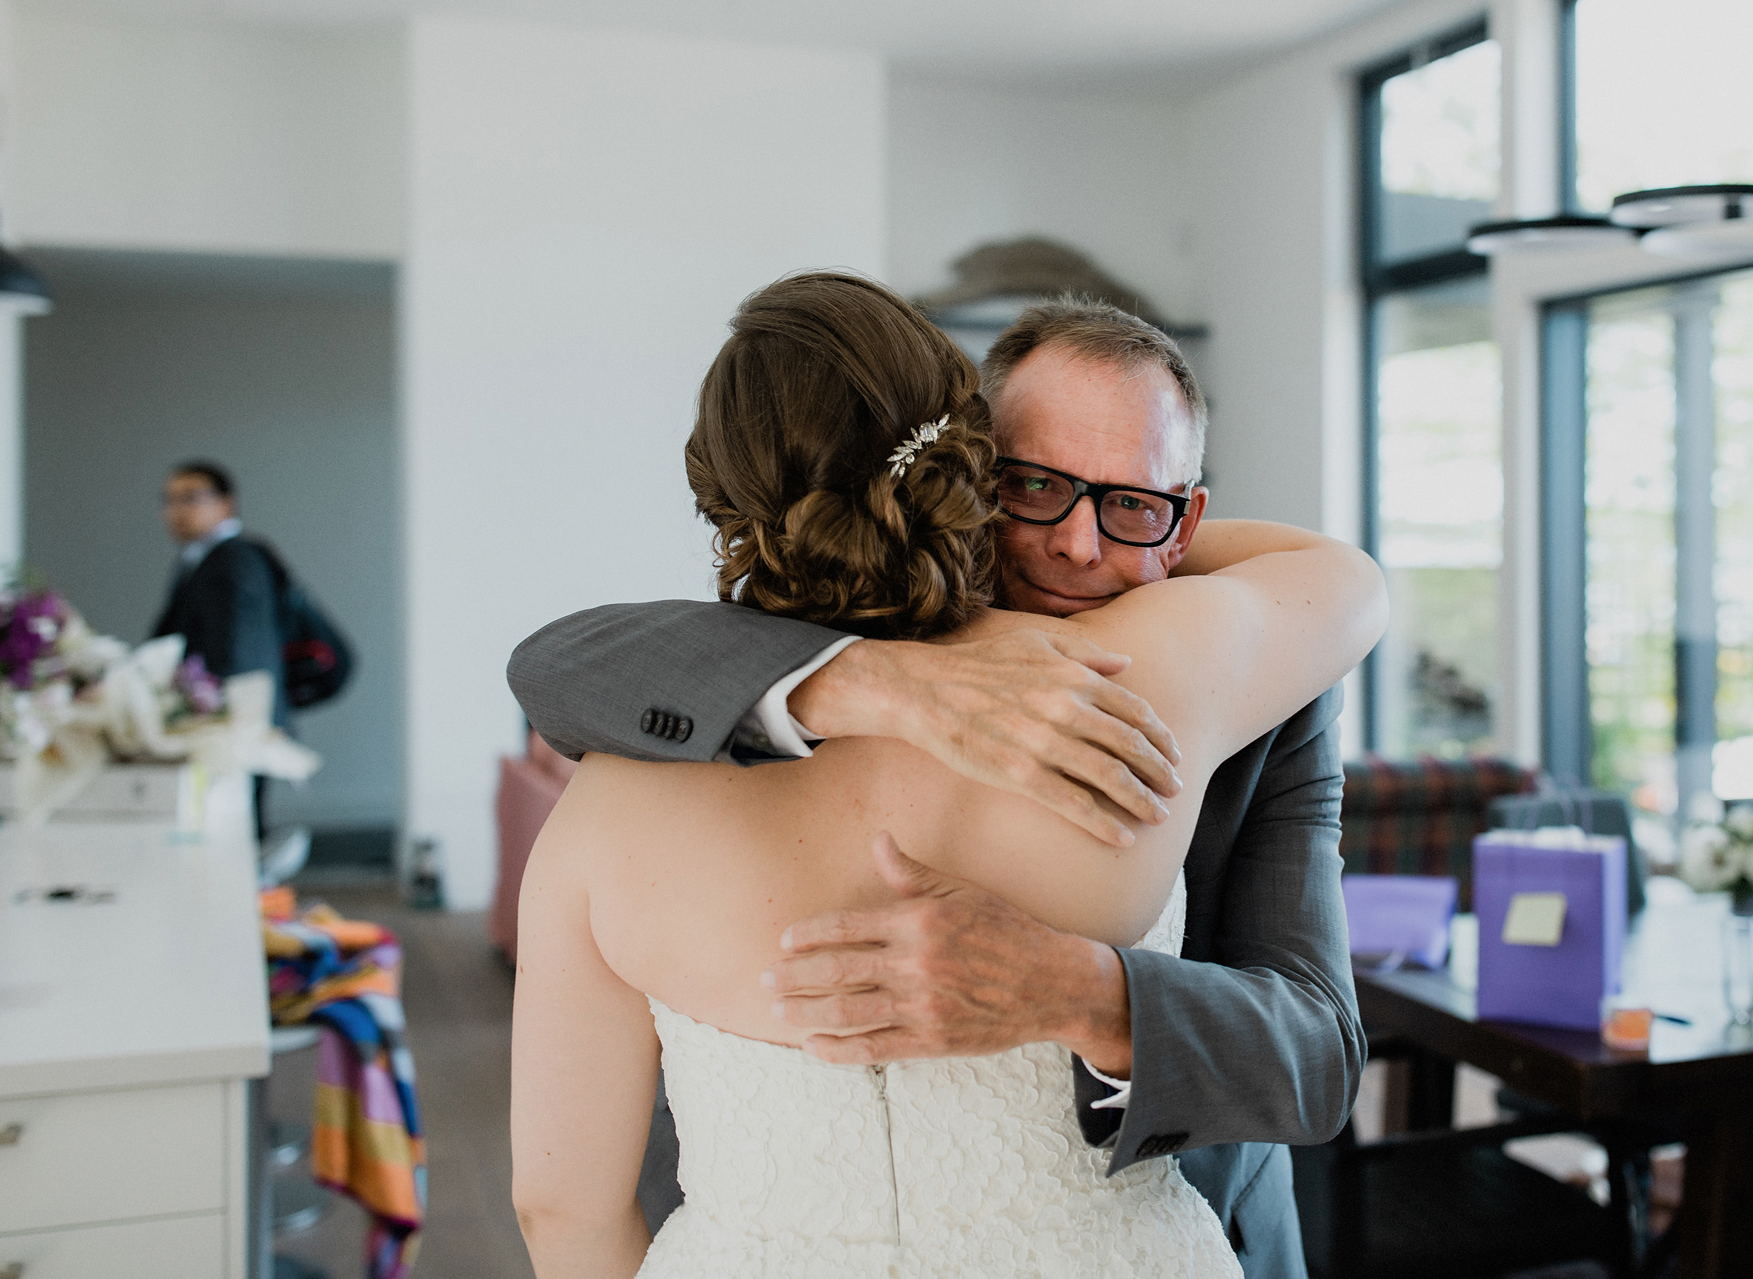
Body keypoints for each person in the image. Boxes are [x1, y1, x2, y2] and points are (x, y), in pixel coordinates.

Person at [509, 272, 1386, 1277]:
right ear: (967, 473)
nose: (1075, 543)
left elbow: (1319, 1055)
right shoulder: (1193, 658)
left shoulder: (1266, 691)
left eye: (1134, 506)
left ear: (1182, 525)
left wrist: (1084, 994)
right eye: (1034, 486)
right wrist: (870, 681)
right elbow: (553, 661)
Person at [153, 459, 288, 830]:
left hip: (234, 725)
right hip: (232, 723)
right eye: (169, 500)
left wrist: (214, 714)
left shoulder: (230, 561)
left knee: (236, 832)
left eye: (190, 498)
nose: (176, 510)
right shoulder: (203, 560)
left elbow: (233, 652)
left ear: (226, 504)